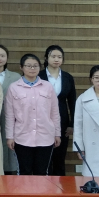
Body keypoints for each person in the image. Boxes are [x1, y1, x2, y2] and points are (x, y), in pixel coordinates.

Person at [5, 53, 60, 175]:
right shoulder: (14, 88)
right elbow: (9, 115)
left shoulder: (48, 86)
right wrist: (10, 137)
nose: (32, 68)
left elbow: (54, 112)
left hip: (45, 137)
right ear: (21, 67)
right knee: (24, 172)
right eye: (28, 66)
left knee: (42, 172)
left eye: (35, 66)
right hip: (22, 137)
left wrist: (57, 134)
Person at [38, 45, 77, 176]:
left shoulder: (67, 77)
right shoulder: (39, 75)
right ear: (46, 58)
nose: (56, 59)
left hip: (62, 120)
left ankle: (60, 186)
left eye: (59, 57)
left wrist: (72, 124)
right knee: (44, 157)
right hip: (42, 119)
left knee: (60, 157)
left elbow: (72, 101)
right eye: (53, 56)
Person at [0, 45, 21, 174]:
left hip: (9, 115)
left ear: (7, 58)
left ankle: (8, 171)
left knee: (7, 143)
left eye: (2, 55)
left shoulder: (15, 77)